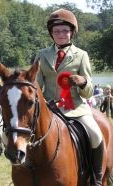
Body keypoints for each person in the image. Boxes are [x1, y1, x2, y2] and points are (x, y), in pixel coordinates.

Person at [35, 8, 103, 186]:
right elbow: (36, 86)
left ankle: (96, 177)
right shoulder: (42, 55)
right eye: (56, 31)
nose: (61, 34)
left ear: (72, 32)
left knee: (96, 135)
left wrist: (82, 82)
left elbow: (87, 93)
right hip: (49, 107)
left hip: (75, 107)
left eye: (65, 30)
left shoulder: (82, 55)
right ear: (51, 33)